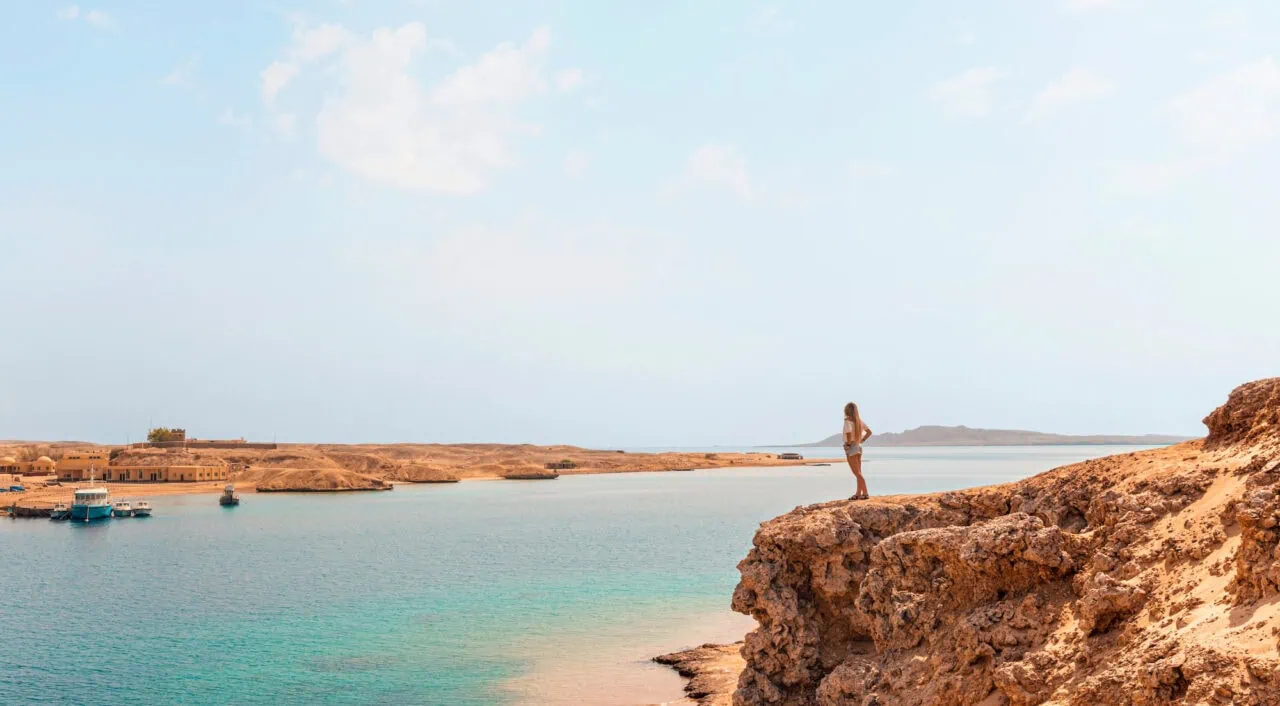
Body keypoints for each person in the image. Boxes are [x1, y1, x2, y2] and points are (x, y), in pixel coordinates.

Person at [843, 402, 872, 500]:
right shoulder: (859, 421)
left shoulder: (847, 421)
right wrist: (862, 440)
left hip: (851, 447)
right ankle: (858, 493)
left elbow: (848, 434)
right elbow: (869, 432)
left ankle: (865, 493)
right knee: (858, 472)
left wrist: (847, 445)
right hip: (858, 447)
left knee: (856, 473)